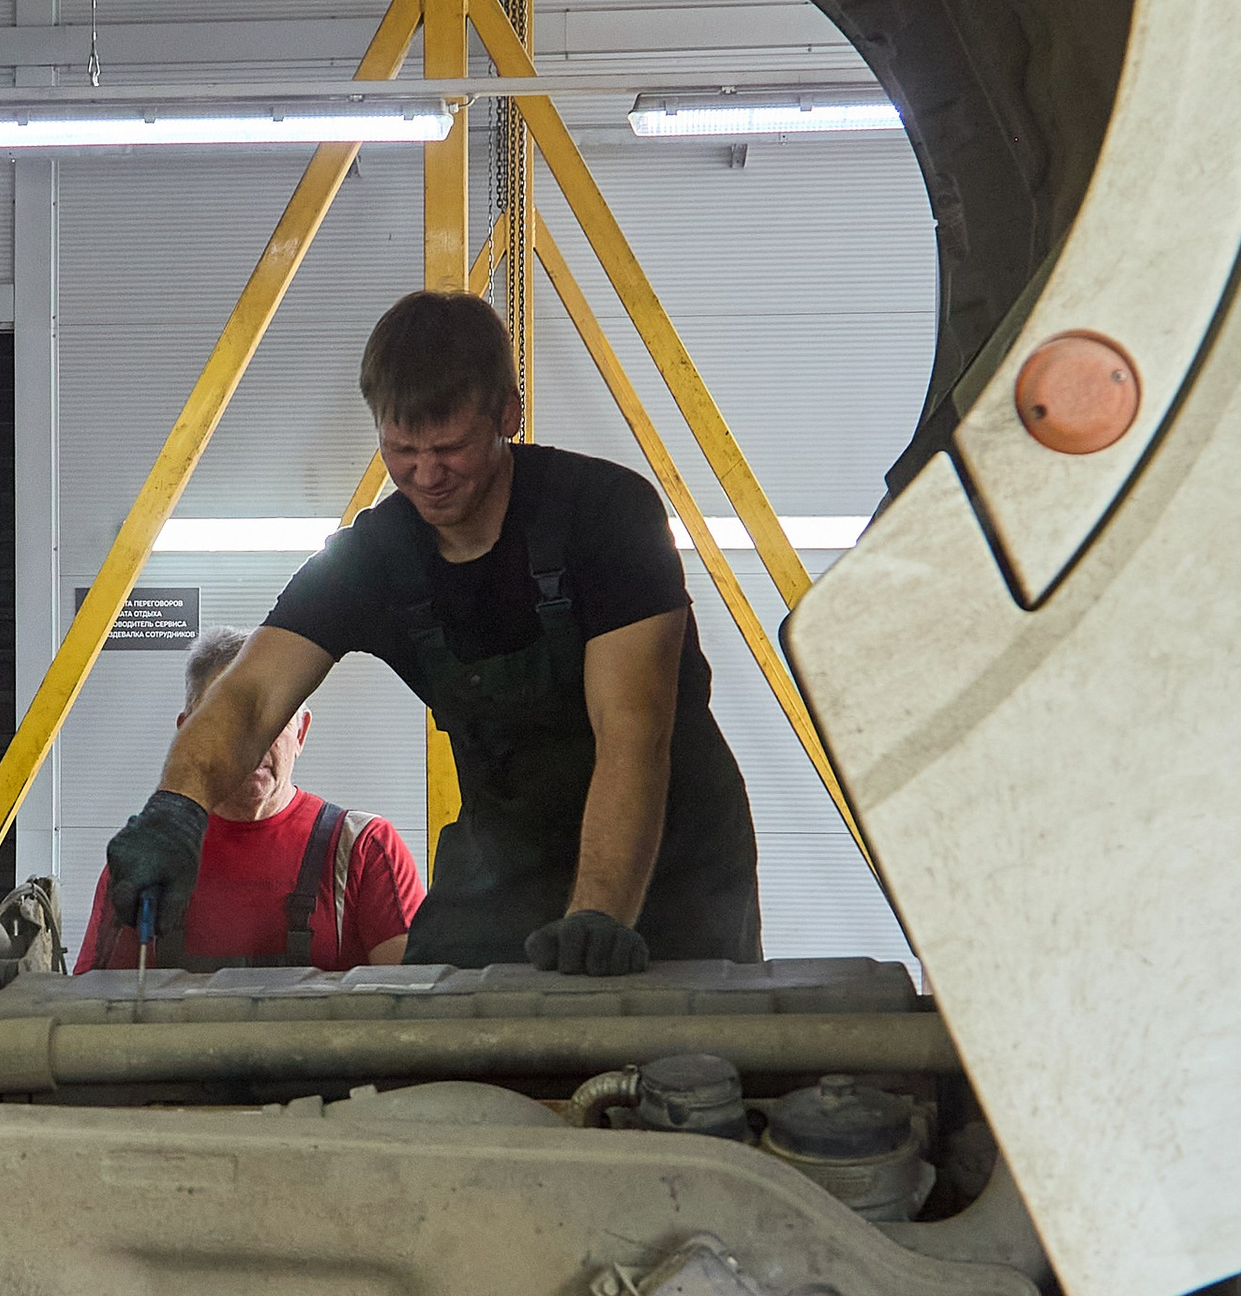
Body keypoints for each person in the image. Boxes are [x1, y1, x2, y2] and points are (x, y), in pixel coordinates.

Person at [103, 291, 760, 974]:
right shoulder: (374, 557)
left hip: (665, 859)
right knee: (442, 1030)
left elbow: (634, 732)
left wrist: (598, 913)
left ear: (508, 410)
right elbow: (249, 698)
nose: (425, 475)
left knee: (674, 1052)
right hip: (506, 859)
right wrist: (175, 807)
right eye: (401, 448)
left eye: (449, 447)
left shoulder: (609, 517)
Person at [78, 623, 422, 971]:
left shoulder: (363, 850)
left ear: (300, 732)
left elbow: (413, 1011)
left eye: (276, 717)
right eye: (228, 721)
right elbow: (94, 1012)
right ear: (188, 733)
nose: (253, 739)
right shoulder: (148, 863)